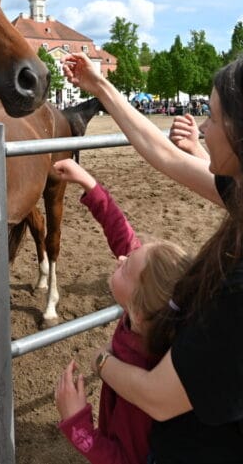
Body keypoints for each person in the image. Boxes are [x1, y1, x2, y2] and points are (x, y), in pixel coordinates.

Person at [62, 41, 243, 461]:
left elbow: (158, 397)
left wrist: (101, 363)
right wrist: (100, 86)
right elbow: (164, 154)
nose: (203, 129)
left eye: (214, 118)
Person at [52, 158, 190, 464]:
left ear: (137, 312)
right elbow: (122, 236)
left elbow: (124, 459)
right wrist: (89, 184)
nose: (122, 258)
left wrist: (76, 423)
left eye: (126, 268)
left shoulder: (139, 382)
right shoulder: (153, 312)